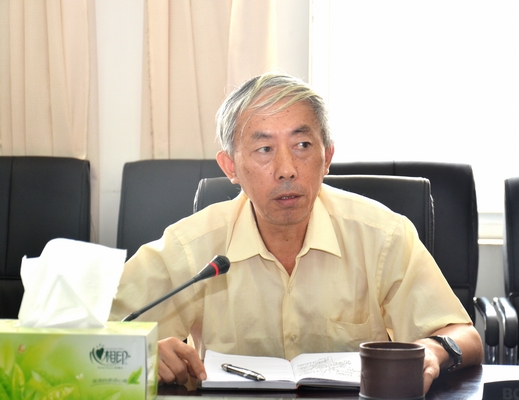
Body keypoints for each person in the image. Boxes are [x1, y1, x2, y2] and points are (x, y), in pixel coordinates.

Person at [109, 72, 483, 394]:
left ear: (327, 157)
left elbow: (463, 335)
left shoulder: (382, 235)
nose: (286, 169)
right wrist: (147, 351)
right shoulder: (191, 247)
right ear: (230, 166)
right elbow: (97, 334)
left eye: (302, 145)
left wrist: (434, 351)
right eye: (264, 149)